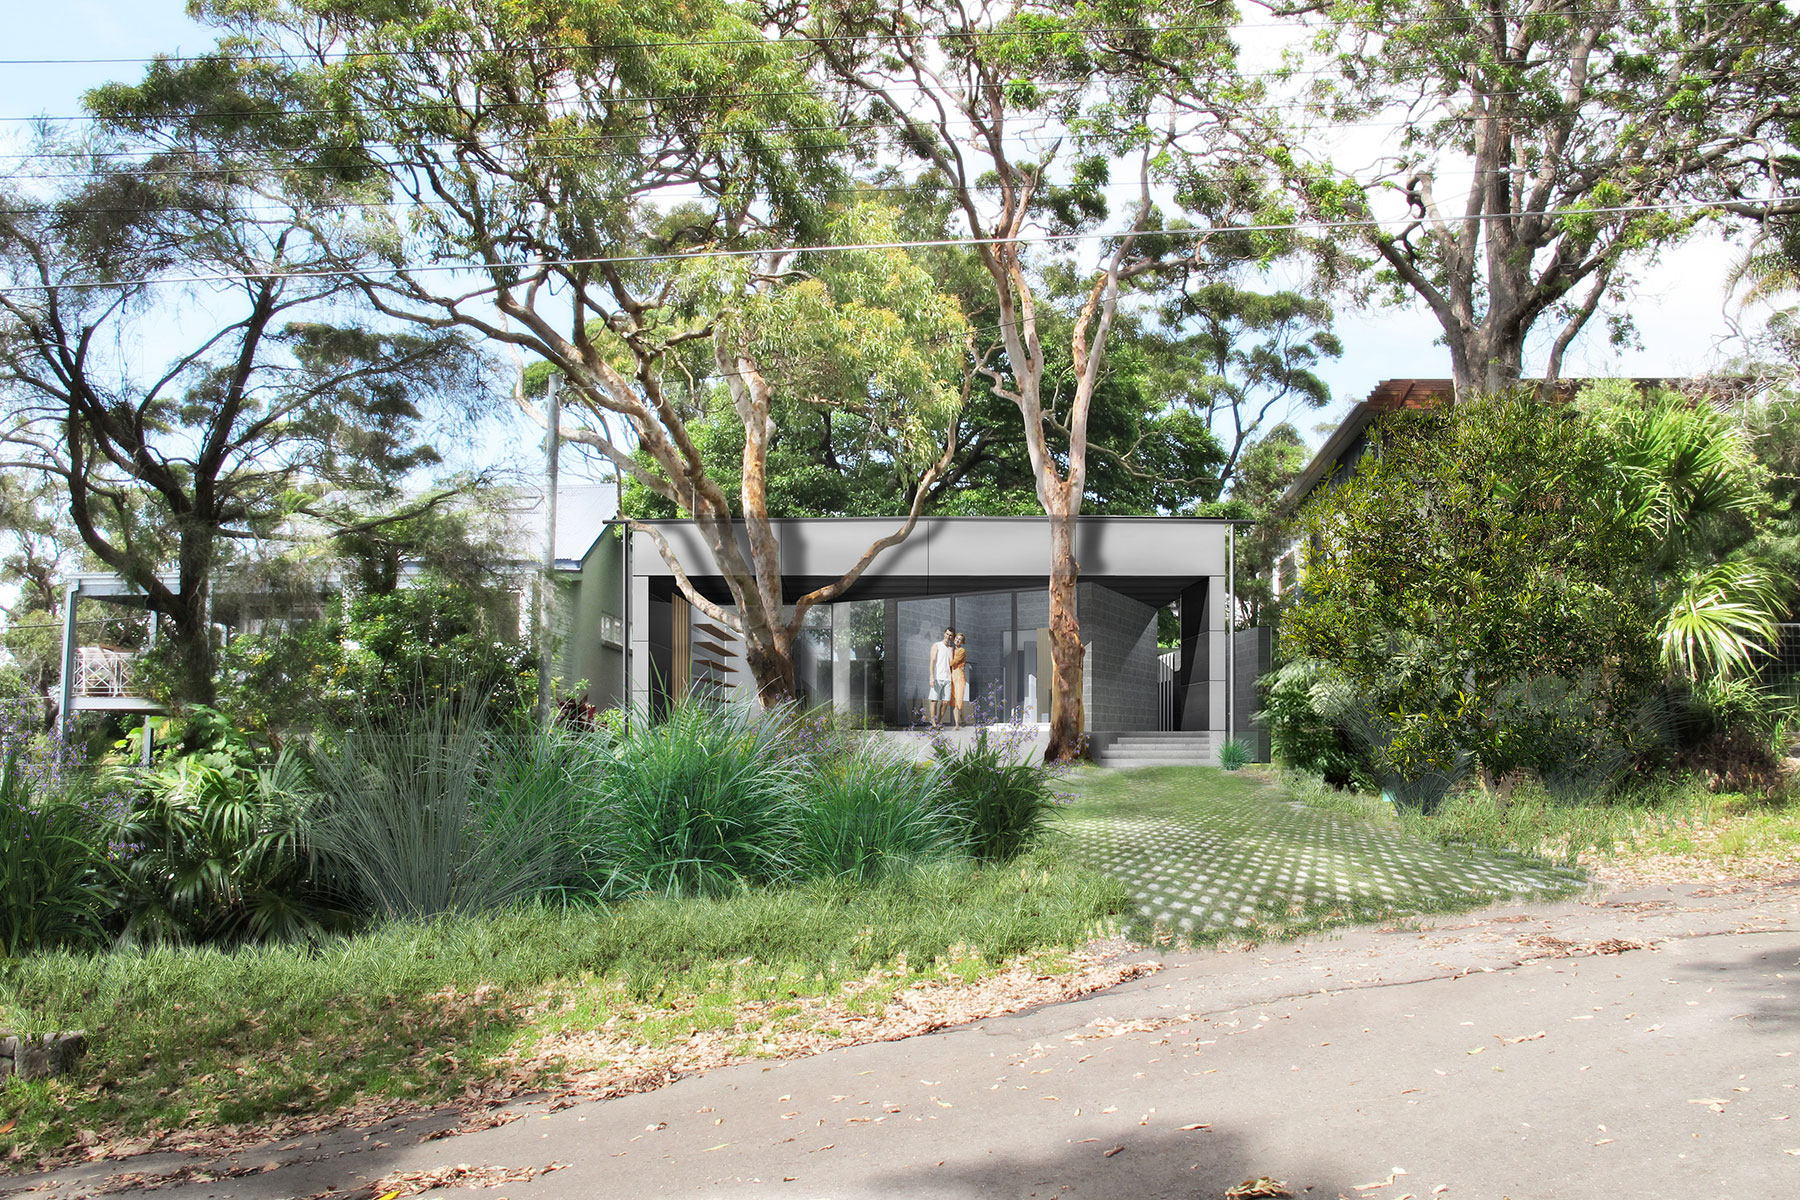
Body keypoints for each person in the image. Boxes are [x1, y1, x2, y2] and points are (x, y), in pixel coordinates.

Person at [927, 626, 955, 725]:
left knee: (945, 702)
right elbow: (932, 661)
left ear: (952, 637)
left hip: (948, 679)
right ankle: (933, 722)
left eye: (950, 635)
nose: (948, 636)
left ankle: (939, 721)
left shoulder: (951, 649)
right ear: (944, 634)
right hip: (938, 677)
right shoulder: (937, 645)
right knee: (934, 700)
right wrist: (931, 676)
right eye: (947, 634)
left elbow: (952, 664)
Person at [949, 632, 969, 727]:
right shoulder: (951, 650)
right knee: (955, 700)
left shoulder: (961, 650)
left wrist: (945, 664)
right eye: (956, 638)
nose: (957, 640)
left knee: (959, 700)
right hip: (952, 676)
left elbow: (954, 661)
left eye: (960, 639)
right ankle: (962, 719)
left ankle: (957, 724)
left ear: (962, 642)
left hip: (959, 676)